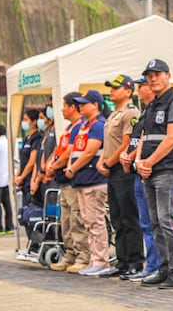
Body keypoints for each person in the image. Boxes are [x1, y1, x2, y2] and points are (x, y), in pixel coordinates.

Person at [135, 58, 173, 289]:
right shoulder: (151, 105)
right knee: (156, 222)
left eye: (157, 74)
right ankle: (165, 268)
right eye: (150, 75)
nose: (153, 78)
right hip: (149, 170)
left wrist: (148, 161)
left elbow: (172, 138)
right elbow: (144, 136)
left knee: (168, 220)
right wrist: (139, 161)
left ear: (168, 75)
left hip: (166, 170)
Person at [97, 75, 144, 279]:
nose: (111, 91)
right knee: (117, 217)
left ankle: (135, 260)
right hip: (111, 170)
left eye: (116, 88)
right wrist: (102, 161)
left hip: (123, 170)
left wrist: (108, 162)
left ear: (128, 90)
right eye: (111, 88)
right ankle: (123, 260)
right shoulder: (113, 115)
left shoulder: (130, 112)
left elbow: (127, 143)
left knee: (129, 217)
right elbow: (109, 144)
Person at [119, 76, 163, 282]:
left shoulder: (156, 110)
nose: (138, 89)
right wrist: (130, 156)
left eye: (141, 85)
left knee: (157, 222)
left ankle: (159, 265)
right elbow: (139, 139)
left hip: (151, 171)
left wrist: (134, 156)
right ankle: (151, 264)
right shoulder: (145, 112)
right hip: (137, 172)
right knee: (145, 222)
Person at [67, 90, 111, 276]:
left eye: (85, 104)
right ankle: (94, 259)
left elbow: (89, 152)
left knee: (95, 222)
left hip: (94, 180)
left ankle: (101, 261)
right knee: (88, 222)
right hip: (83, 181)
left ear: (95, 105)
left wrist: (72, 168)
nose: (81, 107)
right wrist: (71, 165)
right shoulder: (86, 125)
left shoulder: (98, 125)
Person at [45, 92, 88, 273]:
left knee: (76, 220)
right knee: (66, 221)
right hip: (63, 181)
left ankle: (83, 257)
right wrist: (50, 165)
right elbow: (59, 149)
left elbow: (70, 152)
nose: (61, 109)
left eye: (63, 105)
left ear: (72, 107)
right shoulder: (70, 127)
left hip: (73, 181)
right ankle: (70, 255)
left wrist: (54, 166)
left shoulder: (80, 127)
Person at [15, 108, 43, 206]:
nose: (24, 122)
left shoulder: (37, 138)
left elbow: (32, 162)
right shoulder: (27, 138)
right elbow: (22, 160)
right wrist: (17, 176)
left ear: (34, 122)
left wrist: (22, 177)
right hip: (23, 181)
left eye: (26, 120)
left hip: (30, 180)